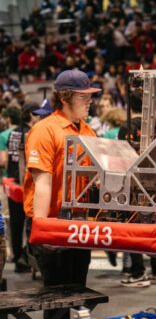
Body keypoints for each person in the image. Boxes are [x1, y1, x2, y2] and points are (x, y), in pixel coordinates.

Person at [23, 69, 101, 319]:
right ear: (65, 97)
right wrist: (43, 229)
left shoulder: (88, 132)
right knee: (57, 302)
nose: (90, 101)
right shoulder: (44, 130)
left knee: (78, 294)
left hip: (78, 223)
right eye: (83, 96)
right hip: (51, 221)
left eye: (91, 96)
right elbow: (42, 183)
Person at [118, 92, 156, 288]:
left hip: (133, 181)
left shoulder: (126, 127)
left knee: (132, 227)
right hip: (154, 180)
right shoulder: (154, 125)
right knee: (153, 225)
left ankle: (138, 272)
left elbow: (121, 155)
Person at [7, 102, 40, 273]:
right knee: (30, 222)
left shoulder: (12, 133)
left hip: (12, 182)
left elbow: (7, 158)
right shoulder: (30, 133)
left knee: (15, 223)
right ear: (30, 115)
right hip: (24, 184)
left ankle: (17, 255)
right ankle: (26, 257)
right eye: (37, 115)